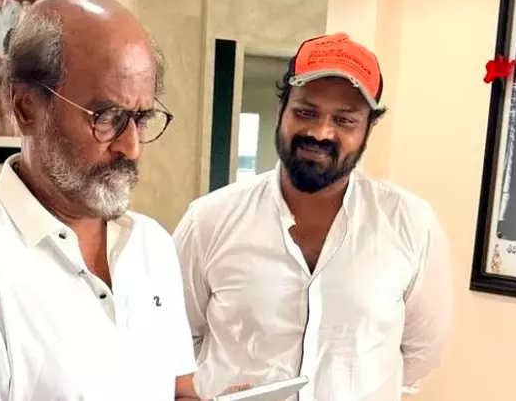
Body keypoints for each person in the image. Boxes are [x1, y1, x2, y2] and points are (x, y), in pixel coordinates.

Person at [0, 0, 222, 399]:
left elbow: (178, 388)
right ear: (26, 108)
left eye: (141, 118)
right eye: (108, 117)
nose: (132, 148)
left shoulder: (151, 245)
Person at [173, 32, 453, 401]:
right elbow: (172, 344)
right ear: (282, 108)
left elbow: (420, 353)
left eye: (345, 120)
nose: (321, 132)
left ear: (369, 127)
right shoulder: (208, 220)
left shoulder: (411, 224)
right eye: (306, 112)